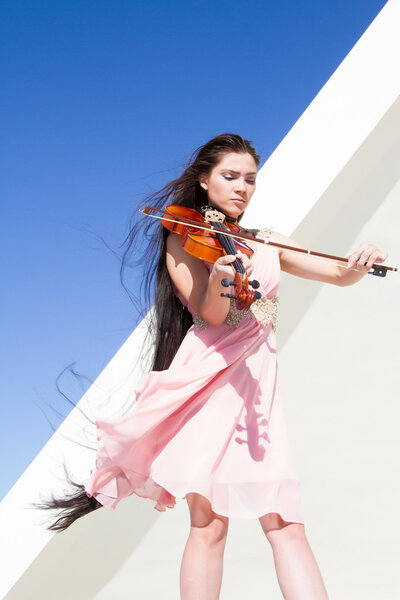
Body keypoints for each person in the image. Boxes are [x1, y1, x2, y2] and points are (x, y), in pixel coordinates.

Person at [40, 133, 388, 599]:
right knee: (210, 525)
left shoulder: (265, 242)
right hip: (214, 383)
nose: (242, 187)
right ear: (204, 181)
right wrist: (222, 278)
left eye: (250, 179)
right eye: (230, 176)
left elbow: (339, 274)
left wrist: (361, 262)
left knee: (287, 522)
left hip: (258, 393)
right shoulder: (183, 240)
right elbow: (212, 316)